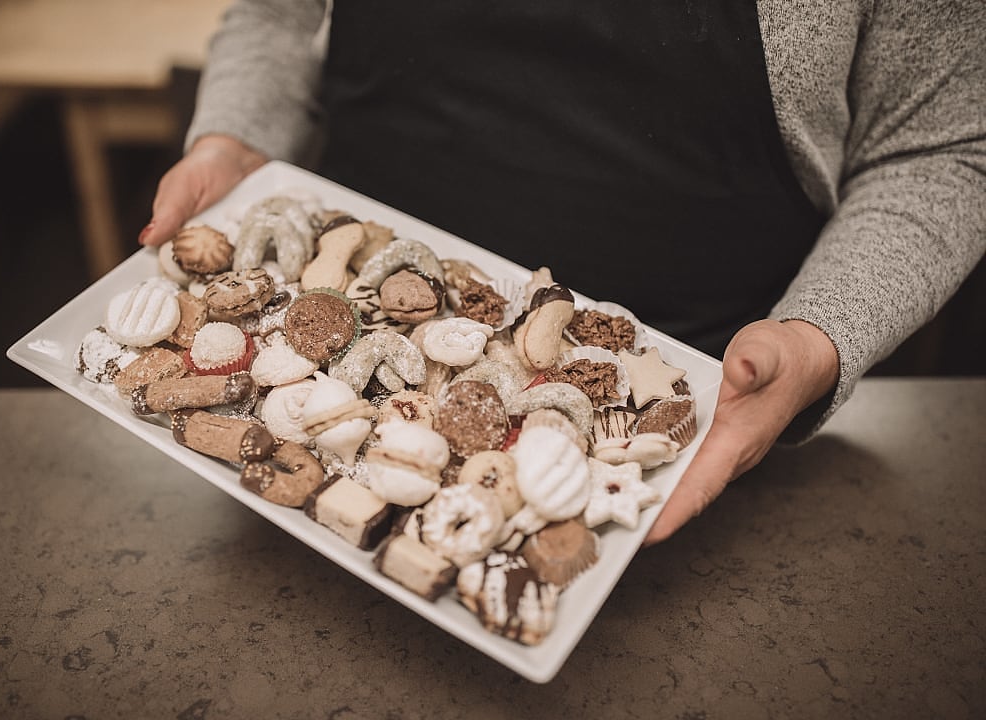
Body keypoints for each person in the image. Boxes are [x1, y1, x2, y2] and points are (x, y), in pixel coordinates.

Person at [139, 0, 986, 544]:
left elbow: (940, 147)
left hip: (685, 418)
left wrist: (818, 337)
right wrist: (236, 137)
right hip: (311, 369)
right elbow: (281, 13)